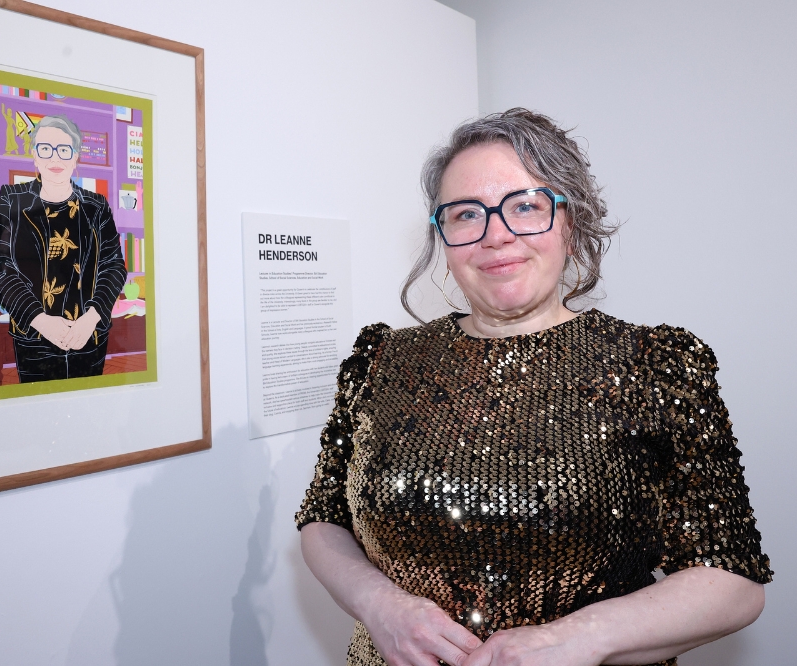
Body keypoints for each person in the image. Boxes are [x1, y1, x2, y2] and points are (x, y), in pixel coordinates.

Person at [296, 108, 771, 666]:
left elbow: (733, 580)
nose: (495, 235)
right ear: (442, 236)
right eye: (467, 214)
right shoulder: (380, 360)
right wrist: (378, 605)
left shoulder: (653, 365)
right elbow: (323, 518)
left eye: (525, 206)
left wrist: (575, 639)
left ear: (571, 223)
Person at [0, 114, 126, 383]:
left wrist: (91, 319)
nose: (55, 158)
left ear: (75, 158)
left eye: (64, 150)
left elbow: (114, 266)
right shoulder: (11, 200)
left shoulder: (96, 206)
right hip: (34, 340)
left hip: (89, 337)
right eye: (45, 149)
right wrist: (40, 320)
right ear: (35, 156)